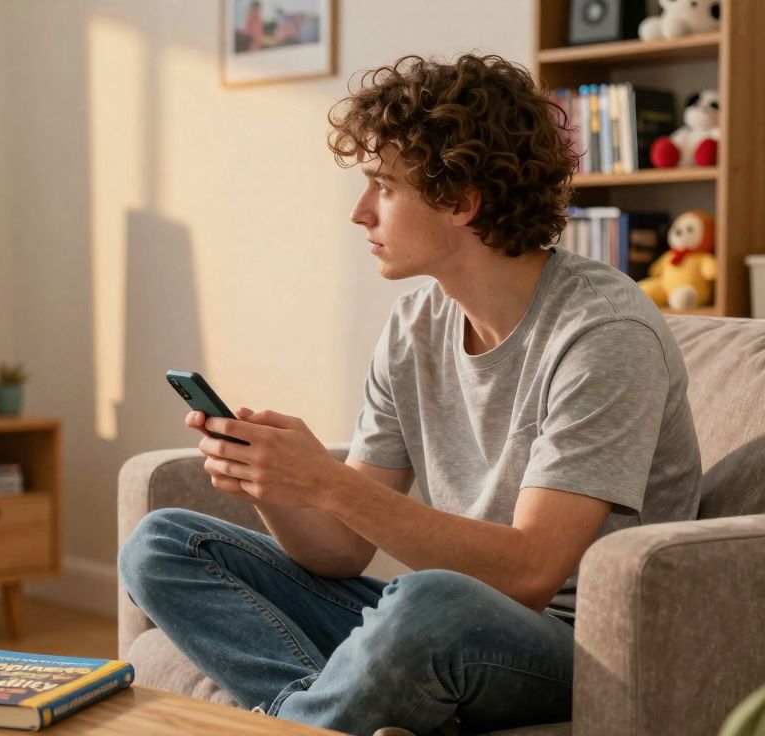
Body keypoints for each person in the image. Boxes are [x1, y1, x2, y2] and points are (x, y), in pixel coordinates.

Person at [118, 53, 701, 736]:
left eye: (382, 186)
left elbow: (531, 574)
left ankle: (310, 717)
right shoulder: (415, 326)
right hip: (447, 625)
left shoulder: (603, 332)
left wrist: (330, 484)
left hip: (579, 646)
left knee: (426, 607)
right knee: (163, 544)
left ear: (461, 199)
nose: (359, 213)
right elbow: (340, 554)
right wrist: (275, 485)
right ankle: (330, 709)